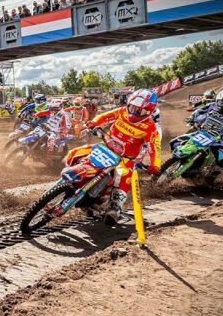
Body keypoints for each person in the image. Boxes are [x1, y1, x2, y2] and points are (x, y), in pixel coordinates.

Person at [69, 89, 162, 226]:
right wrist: (94, 123)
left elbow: (154, 146)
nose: (134, 112)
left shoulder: (150, 127)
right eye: (132, 108)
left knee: (123, 174)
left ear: (149, 112)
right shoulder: (122, 111)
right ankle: (71, 183)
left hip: (126, 158)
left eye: (140, 111)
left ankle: (115, 207)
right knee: (75, 153)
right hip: (106, 146)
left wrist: (155, 164)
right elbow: (104, 116)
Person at [180, 89, 223, 181]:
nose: (221, 105)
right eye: (220, 102)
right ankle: (181, 156)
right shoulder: (212, 105)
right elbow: (198, 111)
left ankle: (211, 178)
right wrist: (191, 118)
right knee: (182, 139)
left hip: (216, 139)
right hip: (201, 131)